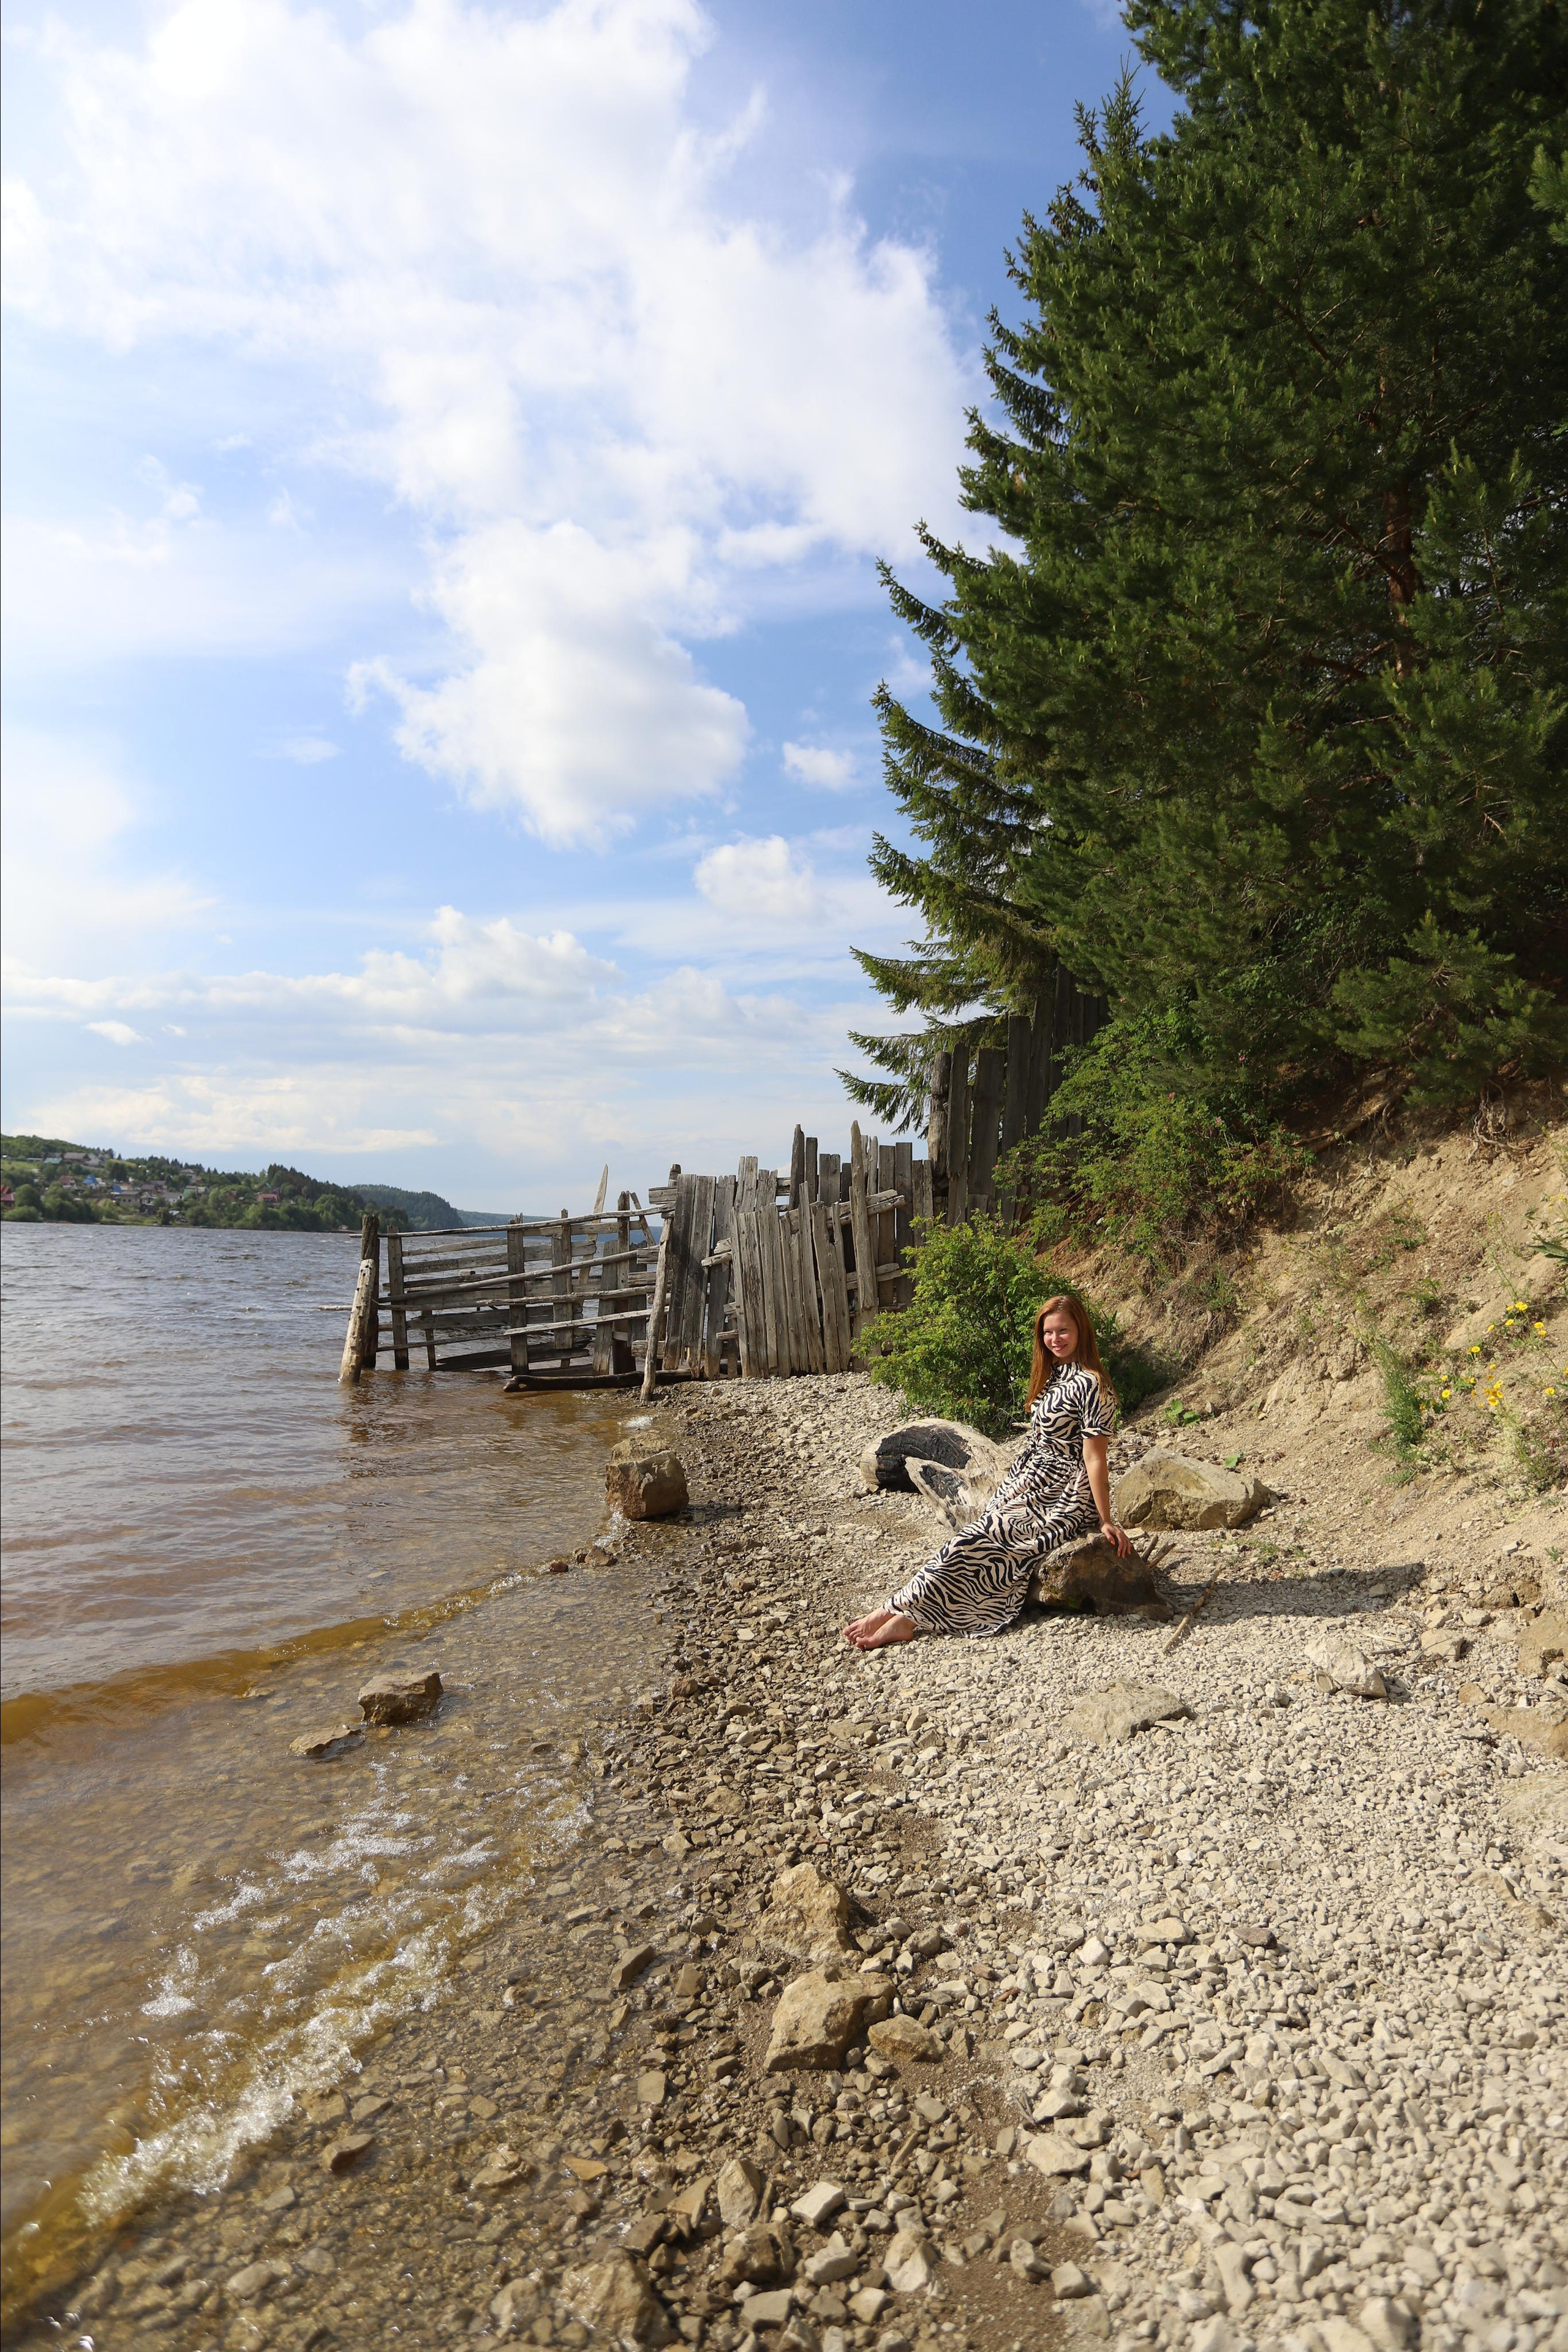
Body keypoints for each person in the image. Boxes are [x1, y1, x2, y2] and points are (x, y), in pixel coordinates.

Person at [843, 1290, 1131, 1648]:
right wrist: (1014, 1485)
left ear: (1081, 1331)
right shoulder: (1056, 1375)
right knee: (974, 1539)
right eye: (1048, 1332)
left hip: (1065, 1495)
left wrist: (1106, 1519)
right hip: (1032, 1483)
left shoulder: (1092, 1384)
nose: (1054, 1339)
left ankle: (898, 1614)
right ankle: (901, 1612)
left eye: (1063, 1331)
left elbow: (1095, 1458)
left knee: (980, 1542)